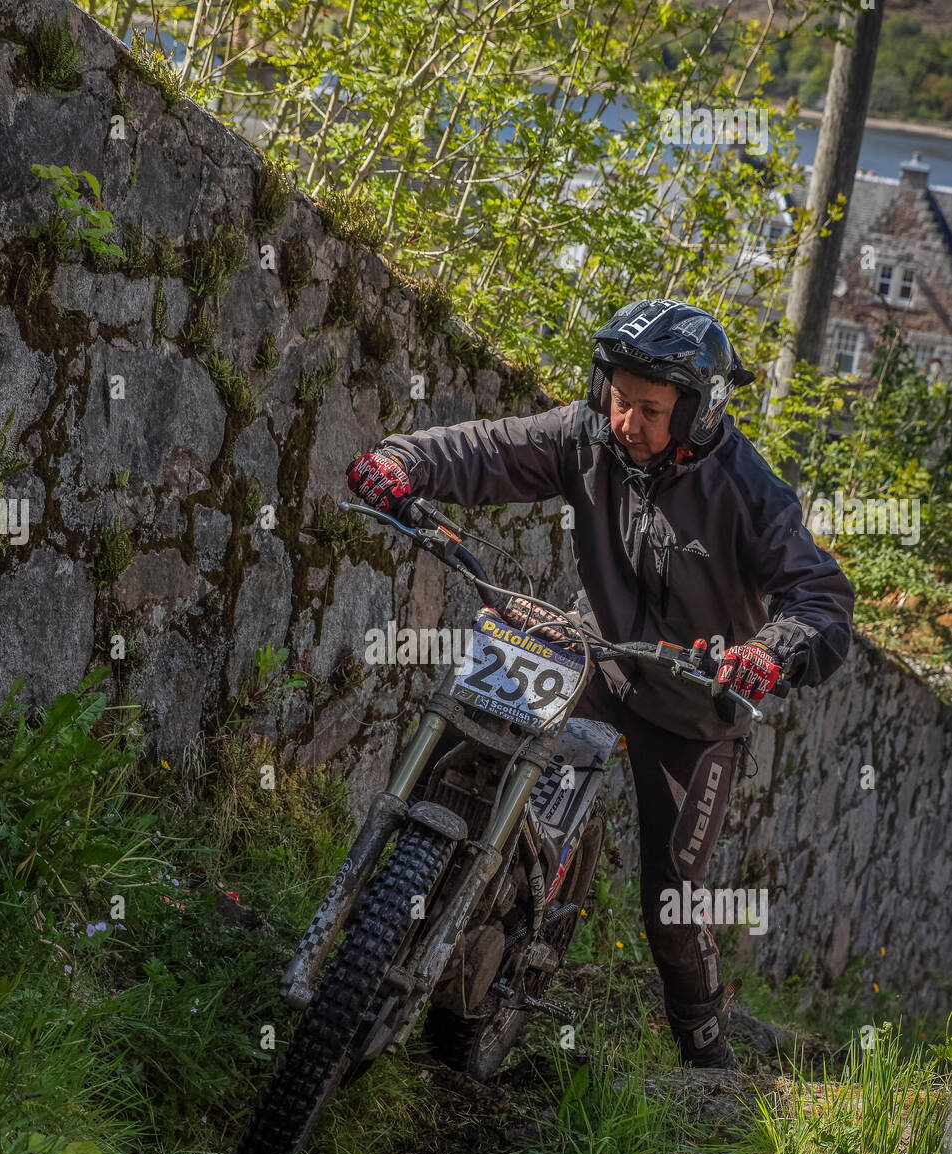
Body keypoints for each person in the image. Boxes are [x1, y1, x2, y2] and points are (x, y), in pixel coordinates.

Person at [346, 298, 854, 1069]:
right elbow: (488, 448)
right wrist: (403, 462)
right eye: (618, 399)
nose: (627, 421)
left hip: (692, 708)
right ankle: (398, 935)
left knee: (670, 898)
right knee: (473, 757)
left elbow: (819, 597)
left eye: (650, 410)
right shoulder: (587, 437)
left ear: (698, 410)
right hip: (592, 657)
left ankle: (707, 1062)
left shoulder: (751, 495)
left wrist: (771, 651)